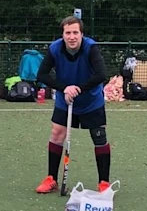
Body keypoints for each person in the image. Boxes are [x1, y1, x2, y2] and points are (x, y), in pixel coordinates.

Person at [34, 16, 110, 193]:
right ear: (63, 35)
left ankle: (104, 183)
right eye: (68, 33)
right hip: (65, 98)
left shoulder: (90, 48)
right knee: (57, 133)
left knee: (99, 136)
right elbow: (42, 75)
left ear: (82, 34)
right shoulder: (55, 49)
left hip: (91, 100)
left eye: (75, 32)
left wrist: (79, 89)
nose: (72, 37)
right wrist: (65, 89)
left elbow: (101, 74)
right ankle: (51, 179)